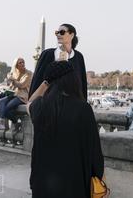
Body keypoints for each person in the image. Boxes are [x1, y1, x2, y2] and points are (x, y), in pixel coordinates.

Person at [27, 61, 104, 198]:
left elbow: (30, 102)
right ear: (73, 80)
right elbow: (94, 149)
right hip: (73, 183)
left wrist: (46, 82)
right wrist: (99, 176)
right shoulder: (83, 108)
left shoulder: (40, 107)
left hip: (43, 183)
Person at [29, 23, 88, 100]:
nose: (58, 35)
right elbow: (37, 79)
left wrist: (83, 104)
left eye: (62, 32)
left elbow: (82, 83)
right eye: (57, 32)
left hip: (71, 104)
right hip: (49, 103)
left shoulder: (78, 57)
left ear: (72, 35)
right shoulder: (47, 54)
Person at [0, 57, 32, 130]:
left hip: (22, 96)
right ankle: (0, 123)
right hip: (14, 94)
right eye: (20, 63)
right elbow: (12, 86)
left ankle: (16, 121)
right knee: (1, 101)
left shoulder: (28, 73)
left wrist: (13, 79)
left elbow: (22, 85)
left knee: (7, 108)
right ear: (16, 65)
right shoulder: (14, 73)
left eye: (23, 62)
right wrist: (9, 82)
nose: (22, 64)